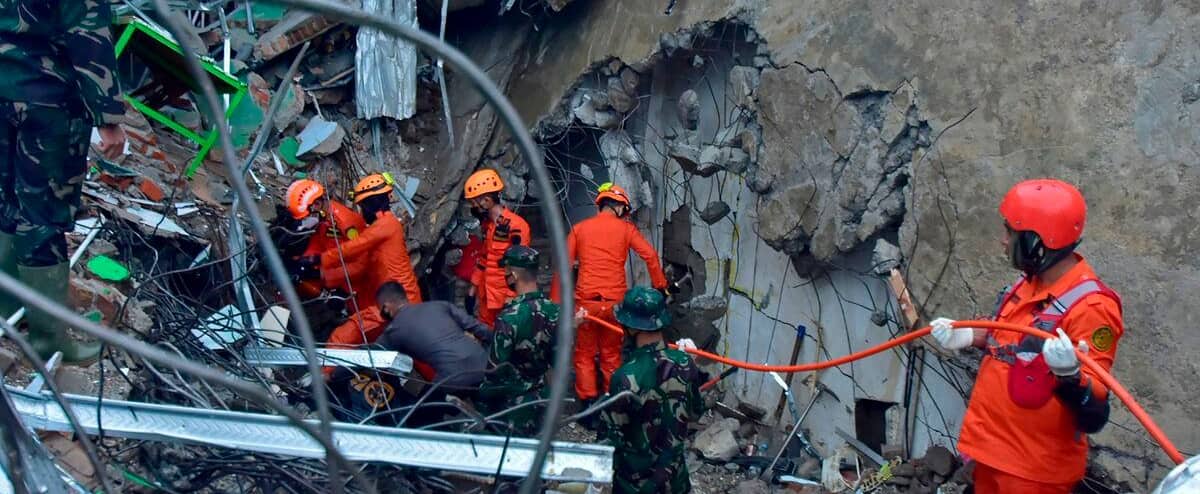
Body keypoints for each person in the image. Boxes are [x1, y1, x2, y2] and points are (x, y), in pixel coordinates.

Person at [930, 179, 1122, 494]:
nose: (1003, 241)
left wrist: (1070, 377)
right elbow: (1007, 337)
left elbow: (1094, 410)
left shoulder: (1092, 307)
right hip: (992, 452)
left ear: (1037, 242)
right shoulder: (1028, 284)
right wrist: (969, 335)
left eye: (1010, 232)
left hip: (1033, 471)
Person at [0, 0, 127, 363]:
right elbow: (88, 31)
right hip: (46, 100)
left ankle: (7, 308)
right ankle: (47, 340)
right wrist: (108, 114)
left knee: (5, 200)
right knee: (43, 214)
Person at [565, 182, 668, 407]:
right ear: (620, 207)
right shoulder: (626, 229)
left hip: (586, 305)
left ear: (602, 204)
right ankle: (611, 403)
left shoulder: (578, 229)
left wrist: (556, 304)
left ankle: (587, 404)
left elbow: (562, 267)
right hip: (615, 306)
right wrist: (661, 287)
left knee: (584, 354)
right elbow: (650, 256)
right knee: (611, 354)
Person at [599, 286, 706, 494]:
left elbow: (610, 439)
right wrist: (691, 364)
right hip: (675, 482)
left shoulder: (625, 377)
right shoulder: (685, 362)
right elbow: (694, 413)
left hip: (636, 485)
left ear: (631, 328)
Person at [317, 173, 422, 351]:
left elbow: (354, 247)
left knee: (341, 337)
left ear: (371, 205)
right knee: (411, 349)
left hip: (399, 302)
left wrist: (320, 260)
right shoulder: (382, 228)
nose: (361, 212)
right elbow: (360, 265)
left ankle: (324, 375)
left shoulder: (385, 226)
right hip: (398, 301)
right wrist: (325, 276)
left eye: (362, 207)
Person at [478, 245, 557, 435]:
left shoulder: (509, 318)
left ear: (513, 275)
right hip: (544, 400)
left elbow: (495, 370)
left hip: (513, 406)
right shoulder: (555, 311)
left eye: (505, 271)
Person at [373, 281, 491, 389]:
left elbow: (372, 354)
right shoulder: (440, 305)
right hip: (484, 362)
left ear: (386, 307)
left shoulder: (394, 330)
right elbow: (480, 329)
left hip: (453, 378)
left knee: (423, 409)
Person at [280, 179, 368, 303]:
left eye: (307, 214)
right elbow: (320, 241)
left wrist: (321, 274)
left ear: (316, 204)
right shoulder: (324, 217)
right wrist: (305, 260)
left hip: (354, 281)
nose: (306, 218)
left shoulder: (346, 223)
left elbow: (362, 264)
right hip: (332, 264)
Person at [463, 168, 530, 327]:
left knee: (507, 339)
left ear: (486, 200)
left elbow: (521, 265)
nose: (473, 207)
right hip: (488, 296)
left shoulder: (516, 226)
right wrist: (473, 287)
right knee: (484, 334)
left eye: (474, 202)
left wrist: (513, 295)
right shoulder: (489, 227)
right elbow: (484, 259)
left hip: (506, 298)